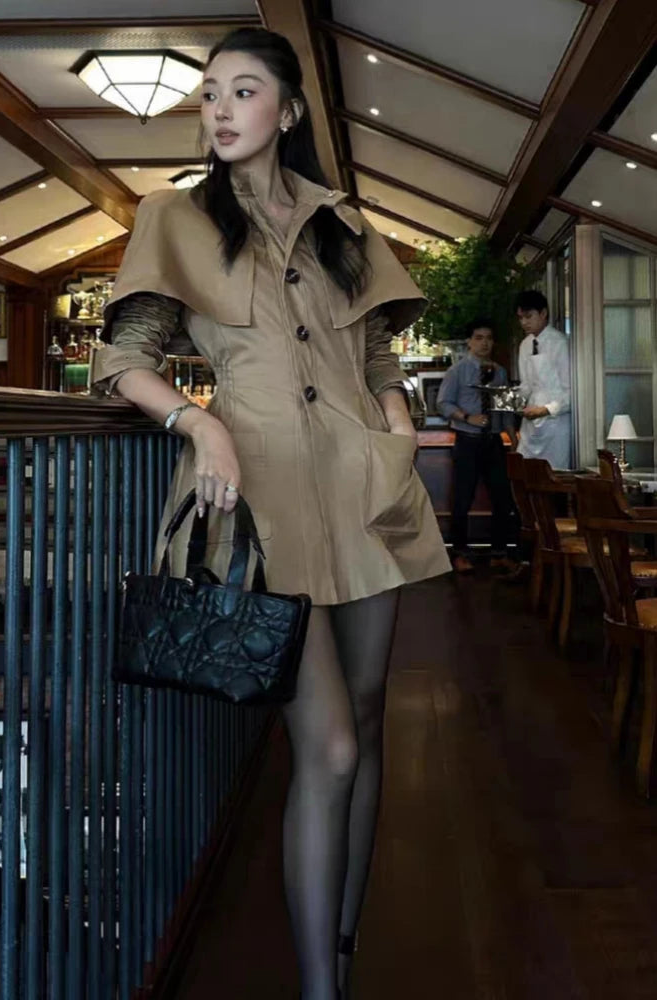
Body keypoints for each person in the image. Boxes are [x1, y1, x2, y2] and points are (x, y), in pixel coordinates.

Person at [92, 27, 450, 999]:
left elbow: (379, 360)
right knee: (328, 742)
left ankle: (342, 939)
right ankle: (319, 988)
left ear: (288, 112)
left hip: (366, 493)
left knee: (371, 725)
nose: (218, 106)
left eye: (243, 90)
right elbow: (121, 358)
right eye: (210, 92)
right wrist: (199, 425)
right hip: (260, 500)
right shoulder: (174, 216)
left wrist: (397, 429)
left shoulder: (346, 228)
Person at [437, 320, 518, 574]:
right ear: (469, 342)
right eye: (479, 337)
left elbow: (505, 411)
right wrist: (466, 417)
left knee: (502, 498)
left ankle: (499, 553)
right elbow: (443, 403)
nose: (485, 343)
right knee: (463, 498)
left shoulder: (500, 372)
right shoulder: (457, 371)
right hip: (468, 440)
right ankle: (459, 553)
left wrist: (515, 443)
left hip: (493, 442)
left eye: (489, 338)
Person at [515, 289, 571, 469]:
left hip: (556, 422)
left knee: (555, 475)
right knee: (527, 473)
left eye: (529, 316)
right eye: (520, 318)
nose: (524, 322)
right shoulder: (525, 345)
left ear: (543, 313)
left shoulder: (560, 343)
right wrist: (514, 400)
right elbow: (526, 385)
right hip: (531, 422)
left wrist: (546, 409)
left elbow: (571, 390)